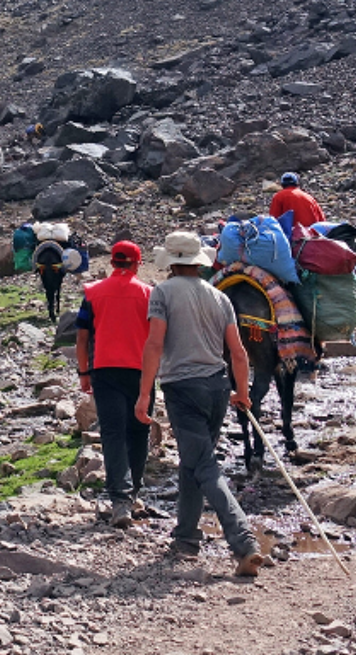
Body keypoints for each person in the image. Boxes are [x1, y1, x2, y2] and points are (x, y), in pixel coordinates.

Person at [134, 230, 265, 576]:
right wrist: (242, 391)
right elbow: (238, 352)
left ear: (171, 263)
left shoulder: (162, 292)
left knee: (204, 464)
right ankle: (186, 538)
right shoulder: (219, 297)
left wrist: (145, 394)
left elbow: (154, 345)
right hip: (218, 387)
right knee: (193, 460)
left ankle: (244, 541)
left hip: (182, 387)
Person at [73, 240, 153, 527]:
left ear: (112, 262)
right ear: (137, 263)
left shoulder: (93, 293)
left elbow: (82, 339)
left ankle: (120, 500)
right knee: (139, 430)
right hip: (141, 372)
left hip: (104, 371)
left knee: (113, 434)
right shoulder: (149, 294)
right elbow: (158, 339)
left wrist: (83, 373)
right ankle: (134, 493)